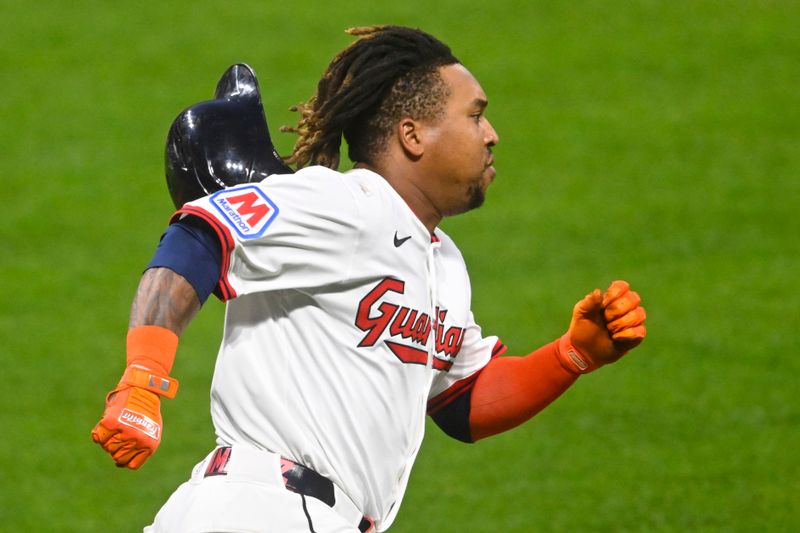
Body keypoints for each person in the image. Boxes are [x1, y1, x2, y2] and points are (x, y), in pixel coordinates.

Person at [91, 25, 647, 533]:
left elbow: (464, 402)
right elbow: (197, 236)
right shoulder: (346, 203)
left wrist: (572, 355)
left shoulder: (444, 264)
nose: (492, 134)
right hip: (262, 511)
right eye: (475, 115)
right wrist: (144, 379)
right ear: (412, 135)